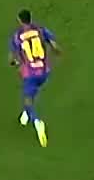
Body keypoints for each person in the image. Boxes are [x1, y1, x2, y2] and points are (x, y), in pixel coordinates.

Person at [9, 8, 61, 148]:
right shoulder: (40, 30)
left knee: (28, 100)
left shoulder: (17, 36)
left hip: (31, 75)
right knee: (33, 91)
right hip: (44, 72)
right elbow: (55, 46)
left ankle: (37, 122)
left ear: (20, 20)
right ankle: (25, 116)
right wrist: (57, 53)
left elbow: (12, 59)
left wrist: (16, 62)